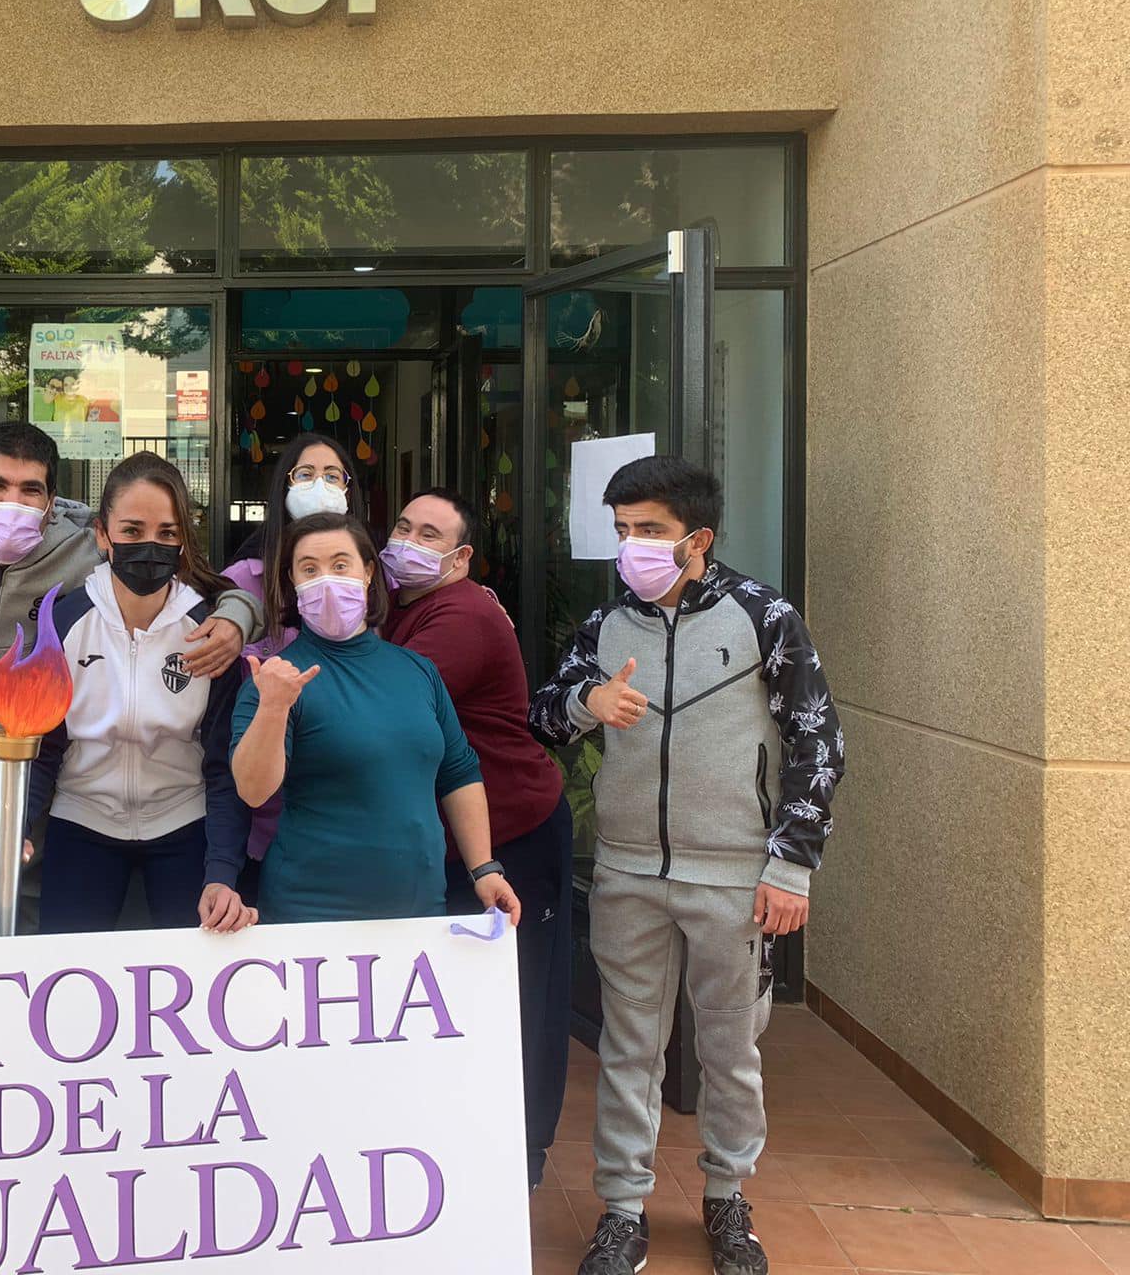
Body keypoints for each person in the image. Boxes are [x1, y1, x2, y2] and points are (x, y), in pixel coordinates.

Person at [529, 456, 843, 1275]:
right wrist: (582, 703)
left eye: (650, 532)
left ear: (696, 538)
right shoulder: (606, 628)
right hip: (628, 874)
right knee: (629, 1047)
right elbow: (540, 717)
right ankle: (622, 1208)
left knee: (730, 1050)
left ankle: (727, 1196)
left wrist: (792, 866)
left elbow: (818, 742)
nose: (632, 546)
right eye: (623, 530)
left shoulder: (763, 617)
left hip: (738, 878)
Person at [0, 421, 260, 937]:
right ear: (102, 536)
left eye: (167, 534)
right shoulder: (63, 622)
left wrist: (222, 871)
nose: (148, 546)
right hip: (80, 823)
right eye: (131, 532)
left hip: (183, 824)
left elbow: (223, 765)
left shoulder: (208, 634)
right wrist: (13, 821)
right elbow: (45, 746)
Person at [383, 488, 570, 1191]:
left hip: (513, 832)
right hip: (462, 838)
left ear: (460, 557)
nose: (408, 540)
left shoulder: (458, 614)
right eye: (403, 525)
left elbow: (385, 699)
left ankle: (521, 1155)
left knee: (519, 997)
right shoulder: (411, 606)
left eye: (428, 534)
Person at [230, 512, 521, 927]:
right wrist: (273, 708)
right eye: (309, 569)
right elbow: (254, 791)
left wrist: (484, 869)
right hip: (311, 916)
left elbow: (459, 773)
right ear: (293, 584)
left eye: (340, 564)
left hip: (420, 908)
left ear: (368, 572)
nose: (327, 579)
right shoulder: (275, 677)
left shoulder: (416, 670)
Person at [218, 433, 365, 894]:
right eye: (304, 475)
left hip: (354, 807)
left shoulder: (375, 576)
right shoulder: (246, 577)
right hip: (267, 817)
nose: (318, 484)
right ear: (283, 487)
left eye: (331, 475)